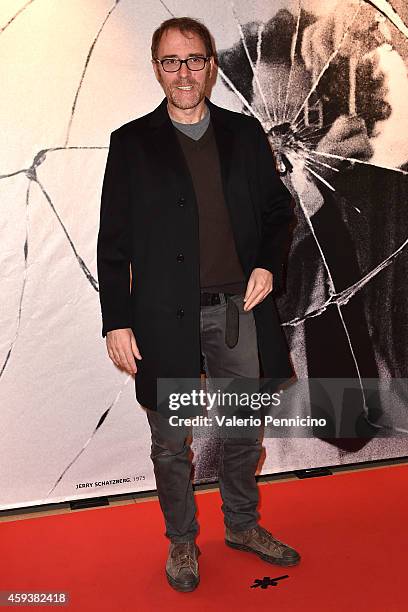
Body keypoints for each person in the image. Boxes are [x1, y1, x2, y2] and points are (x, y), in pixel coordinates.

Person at [96, 16, 300, 593]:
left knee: (242, 432)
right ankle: (182, 541)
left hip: (239, 311)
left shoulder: (243, 134)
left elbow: (276, 214)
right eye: (170, 61)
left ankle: (241, 526)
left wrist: (266, 263)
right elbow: (114, 243)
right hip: (163, 318)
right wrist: (117, 321)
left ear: (211, 64)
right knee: (171, 439)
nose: (184, 73)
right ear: (156, 69)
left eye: (194, 60)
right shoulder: (131, 143)